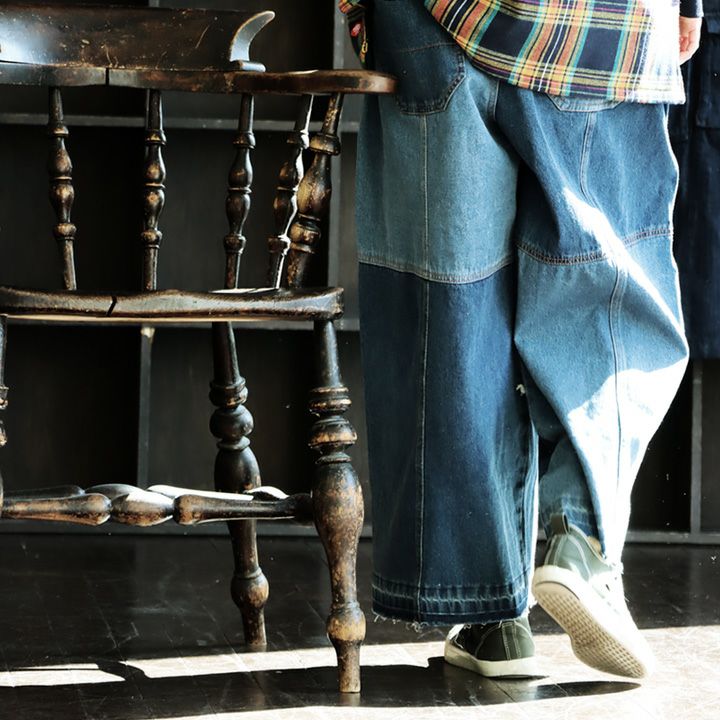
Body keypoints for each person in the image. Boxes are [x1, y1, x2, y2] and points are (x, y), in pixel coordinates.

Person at [339, 0, 702, 679]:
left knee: (450, 295)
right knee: (604, 286)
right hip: (600, 22)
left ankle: (491, 618)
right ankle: (580, 537)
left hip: (433, 22)